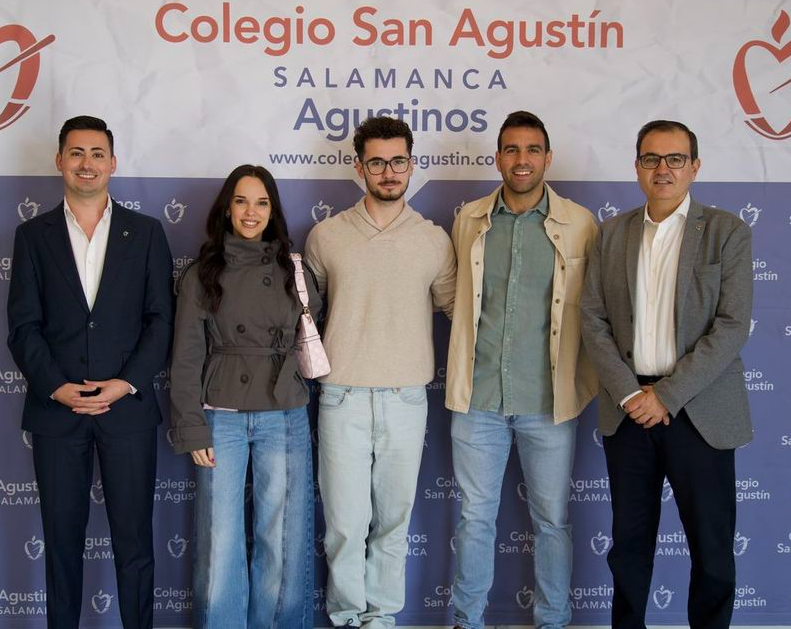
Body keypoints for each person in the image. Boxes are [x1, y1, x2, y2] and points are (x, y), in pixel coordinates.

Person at [580, 120, 753, 629]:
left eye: (675, 159)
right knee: (629, 549)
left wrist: (668, 395)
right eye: (652, 159)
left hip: (700, 412)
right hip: (628, 410)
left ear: (694, 167)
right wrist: (633, 394)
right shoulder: (611, 234)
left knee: (713, 552)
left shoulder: (727, 232)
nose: (663, 169)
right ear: (637, 167)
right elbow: (592, 319)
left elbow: (731, 325)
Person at [7, 115, 173, 629]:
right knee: (60, 545)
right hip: (57, 415)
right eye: (76, 153)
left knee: (135, 545)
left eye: (97, 153)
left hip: (127, 413)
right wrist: (58, 388)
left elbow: (161, 320)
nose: (86, 163)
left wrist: (124, 384)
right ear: (59, 161)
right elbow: (23, 327)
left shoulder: (145, 233)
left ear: (113, 163)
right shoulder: (32, 236)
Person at [445, 110, 598, 629]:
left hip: (549, 402)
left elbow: (595, 311)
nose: (522, 159)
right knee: (474, 521)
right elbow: (457, 301)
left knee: (552, 522)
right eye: (511, 149)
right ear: (498, 158)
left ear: (548, 157)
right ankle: (468, 621)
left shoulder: (580, 223)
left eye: (532, 149)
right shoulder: (468, 218)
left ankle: (553, 622)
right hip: (479, 400)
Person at [304, 116, 456, 628]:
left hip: (407, 396)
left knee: (394, 521)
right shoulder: (326, 237)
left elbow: (458, 312)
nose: (388, 172)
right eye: (377, 162)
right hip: (341, 395)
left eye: (397, 162)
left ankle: (383, 617)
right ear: (359, 167)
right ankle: (347, 615)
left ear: (411, 165)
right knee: (345, 524)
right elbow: (310, 310)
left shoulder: (435, 240)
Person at [168, 164, 318, 629]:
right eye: (241, 201)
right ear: (226, 209)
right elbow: (187, 356)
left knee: (285, 533)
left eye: (261, 202)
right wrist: (192, 426)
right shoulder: (201, 273)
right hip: (222, 415)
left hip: (285, 411)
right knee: (220, 537)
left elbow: (310, 330)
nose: (250, 213)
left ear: (273, 211)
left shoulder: (295, 270)